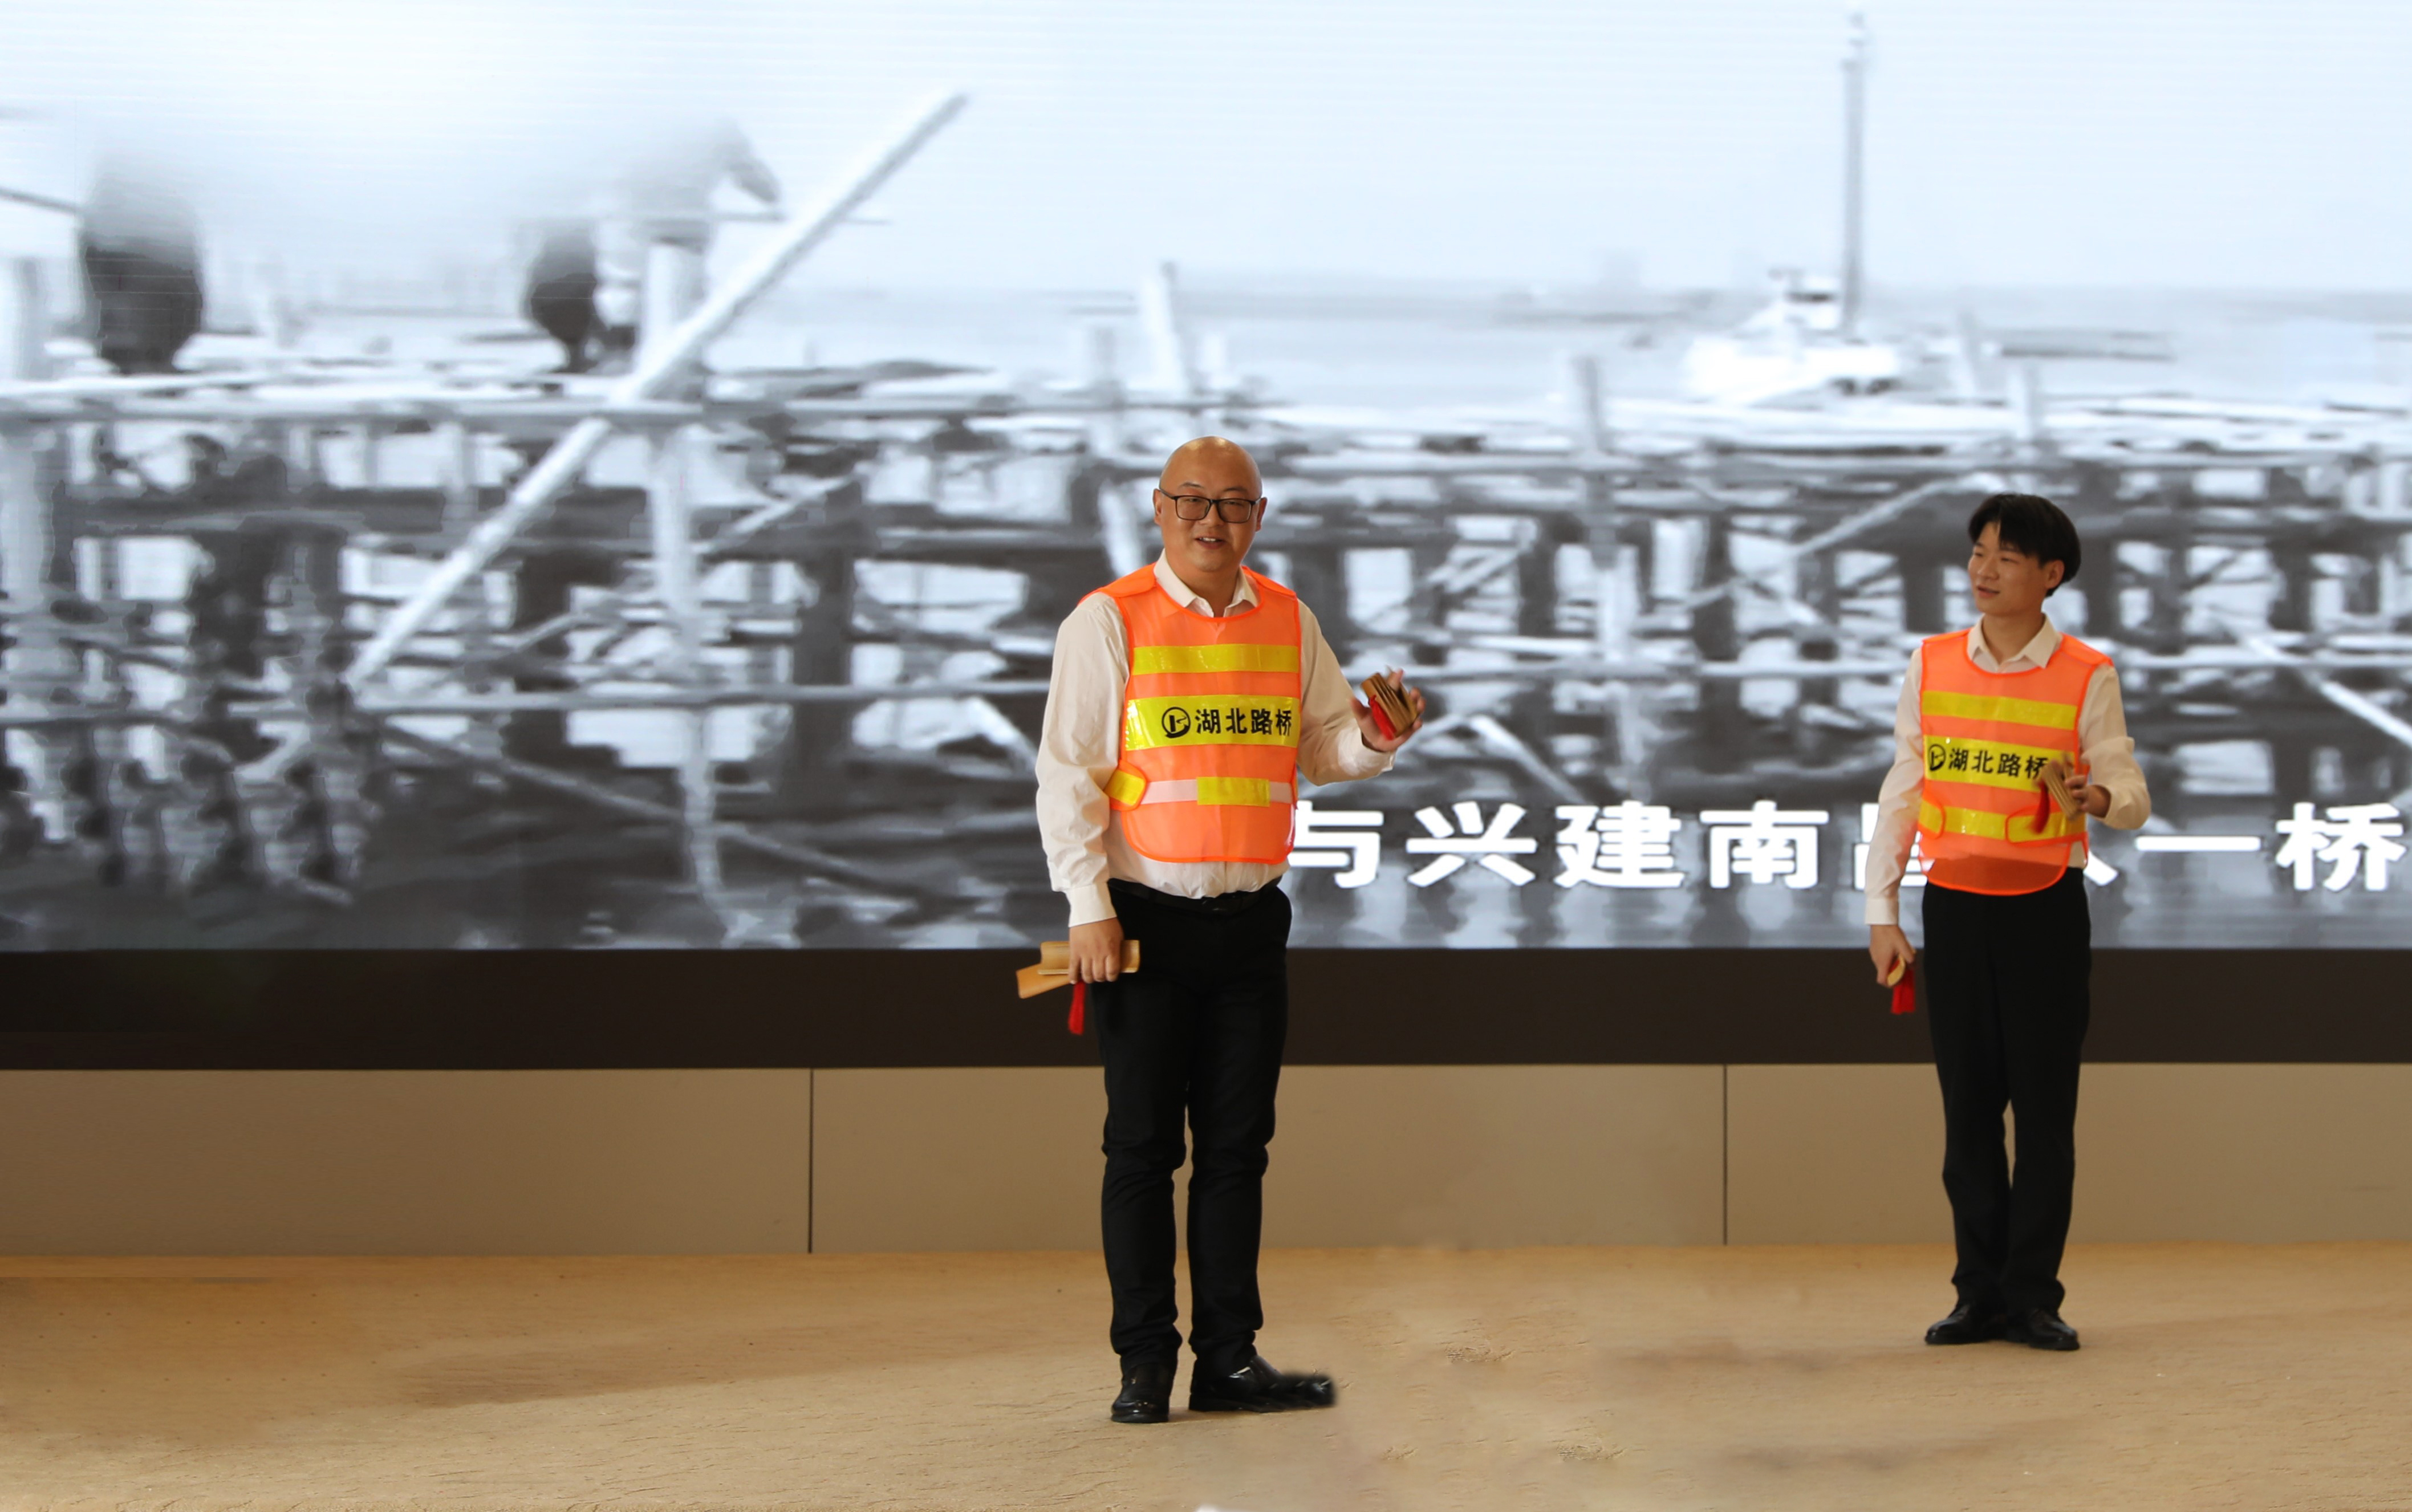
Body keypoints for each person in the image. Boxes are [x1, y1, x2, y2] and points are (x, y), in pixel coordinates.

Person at [1036, 436, 1423, 1424]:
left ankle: (1228, 1360)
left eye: (1234, 503)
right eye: (1193, 501)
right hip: (1141, 923)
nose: (1213, 520)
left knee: (1237, 1151)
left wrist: (1375, 738)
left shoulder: (1289, 617)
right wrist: (1087, 906)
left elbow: (1320, 747)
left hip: (1251, 925)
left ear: (1259, 515)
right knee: (1141, 1151)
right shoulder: (1108, 619)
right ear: (1160, 508)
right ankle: (1142, 1366)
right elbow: (1068, 773)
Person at [1864, 492, 2150, 1353]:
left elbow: (2131, 795)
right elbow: (1903, 788)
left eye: (2006, 557)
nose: (1983, 571)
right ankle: (1976, 1295)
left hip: (2044, 913)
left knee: (2044, 1114)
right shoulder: (1932, 662)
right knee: (1968, 1112)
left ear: (2051, 575)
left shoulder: (2087, 673)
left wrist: (2095, 798)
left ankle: (2033, 1297)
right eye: (1977, 553)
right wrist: (1881, 909)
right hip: (1953, 906)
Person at [589, 119, 781, 369]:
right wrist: (772, 197)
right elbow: (754, 177)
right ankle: (672, 360)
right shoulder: (712, 123)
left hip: (637, 216)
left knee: (627, 290)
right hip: (672, 218)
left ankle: (625, 356)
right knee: (670, 292)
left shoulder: (624, 119)